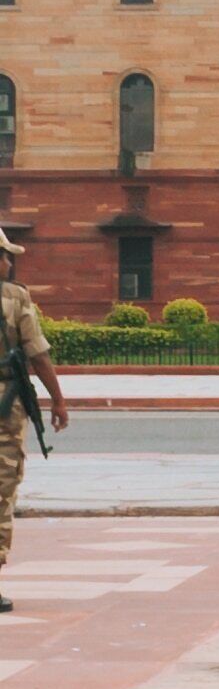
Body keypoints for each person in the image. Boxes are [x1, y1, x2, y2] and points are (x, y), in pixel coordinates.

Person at [0, 227, 70, 613]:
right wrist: (57, 400)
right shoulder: (14, 298)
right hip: (4, 403)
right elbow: (38, 355)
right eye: (4, 255)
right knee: (1, 487)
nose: (8, 263)